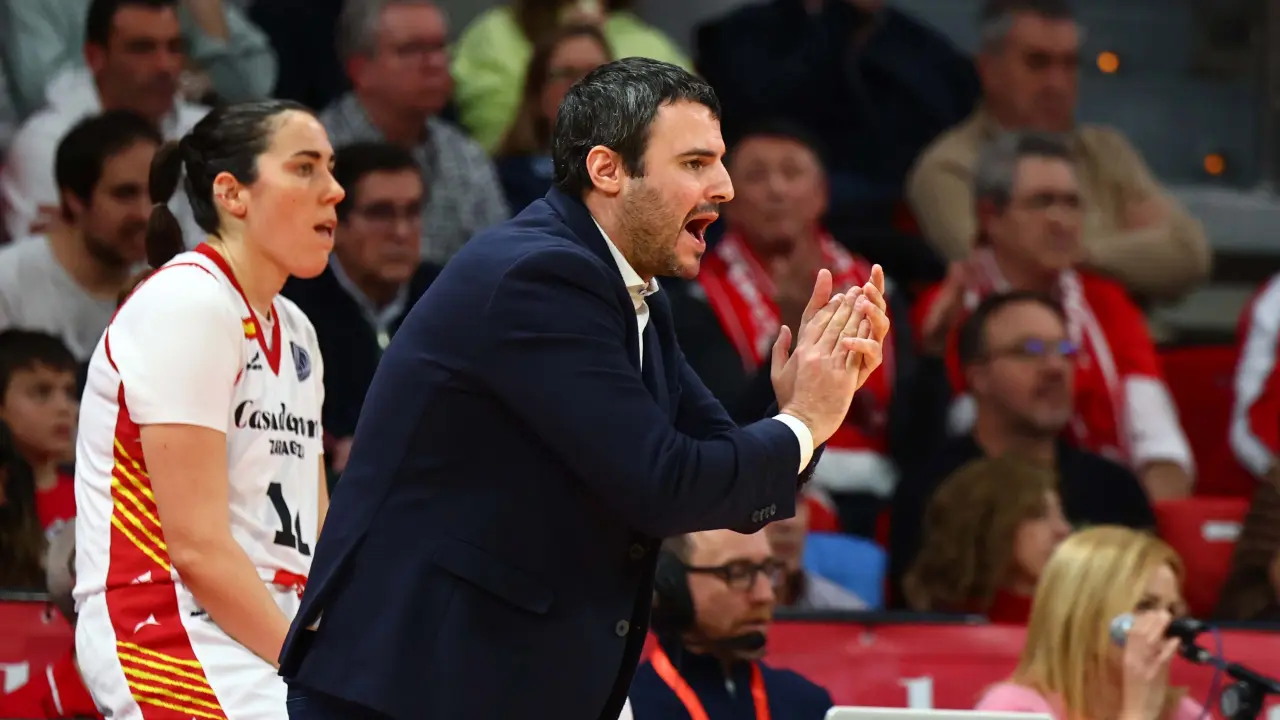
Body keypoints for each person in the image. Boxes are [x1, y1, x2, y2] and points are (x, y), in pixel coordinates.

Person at [280, 57, 890, 720]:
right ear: (607, 170)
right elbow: (665, 483)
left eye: (718, 161)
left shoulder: (628, 290)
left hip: (492, 680)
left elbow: (723, 487)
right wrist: (804, 420)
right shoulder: (539, 277)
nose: (724, 187)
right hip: (410, 683)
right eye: (694, 163)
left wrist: (799, 407)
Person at [72, 99, 340, 719]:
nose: (334, 190)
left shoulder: (297, 330)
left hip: (274, 623)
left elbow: (320, 531)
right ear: (232, 193)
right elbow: (196, 549)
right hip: (168, 624)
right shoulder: (187, 303)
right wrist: (315, 665)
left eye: (331, 168)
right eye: (305, 168)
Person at [975, 526, 1205, 720]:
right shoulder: (1013, 709)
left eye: (1172, 610)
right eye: (1144, 606)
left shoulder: (1183, 713)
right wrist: (1138, 713)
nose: (1165, 623)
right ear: (1085, 612)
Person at [629, 530, 835, 719]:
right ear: (671, 585)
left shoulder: (808, 705)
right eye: (738, 572)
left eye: (768, 569)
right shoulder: (628, 709)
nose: (766, 595)